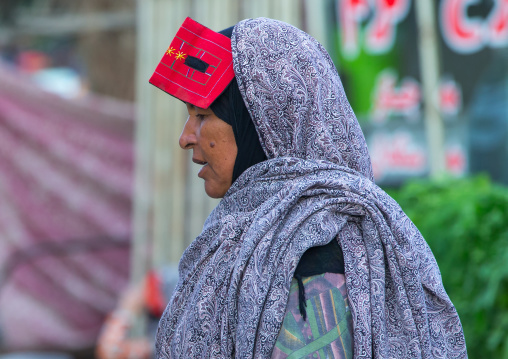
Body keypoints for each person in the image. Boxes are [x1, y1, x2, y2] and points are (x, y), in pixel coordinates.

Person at [149, 17, 467, 358]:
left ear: (262, 120)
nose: (186, 138)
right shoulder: (249, 233)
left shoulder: (312, 247)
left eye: (202, 115)